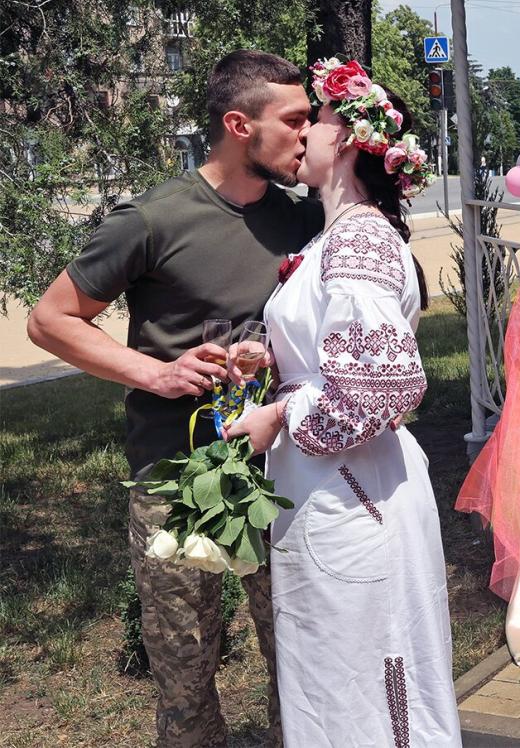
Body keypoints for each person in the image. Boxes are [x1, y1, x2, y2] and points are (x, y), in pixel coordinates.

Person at [27, 50, 319, 746]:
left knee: (303, 659)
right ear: (239, 124)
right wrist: (152, 373)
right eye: (295, 119)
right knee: (187, 679)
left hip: (280, 475)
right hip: (176, 480)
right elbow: (50, 320)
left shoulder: (305, 223)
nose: (307, 133)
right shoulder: (153, 219)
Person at [222, 58, 460, 746]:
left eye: (316, 120)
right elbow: (343, 354)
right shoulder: (334, 239)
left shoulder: (358, 240)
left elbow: (376, 393)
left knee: (363, 676)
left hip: (352, 493)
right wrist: (272, 360)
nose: (302, 135)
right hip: (327, 489)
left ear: (352, 140)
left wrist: (279, 414)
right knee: (329, 671)